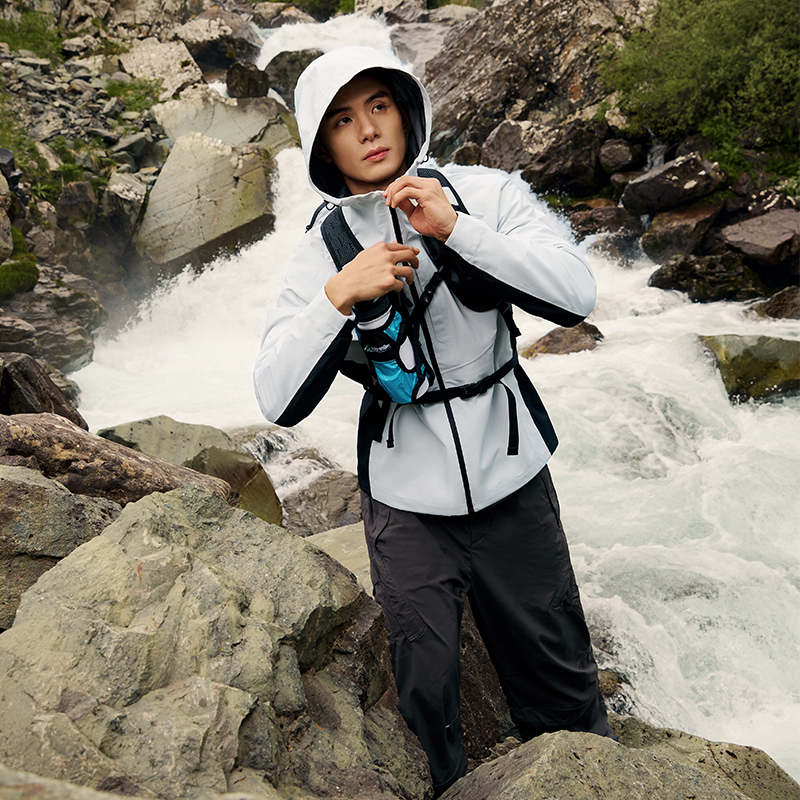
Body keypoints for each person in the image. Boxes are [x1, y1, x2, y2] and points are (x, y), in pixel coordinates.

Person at [254, 45, 614, 797]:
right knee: (423, 696)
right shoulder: (320, 248)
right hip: (406, 497)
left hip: (512, 475)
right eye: (343, 120)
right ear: (324, 145)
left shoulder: (487, 191)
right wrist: (339, 295)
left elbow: (577, 292)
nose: (368, 130)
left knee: (560, 674)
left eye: (379, 106)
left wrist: (457, 231)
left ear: (405, 109)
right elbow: (275, 395)